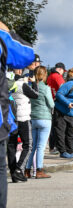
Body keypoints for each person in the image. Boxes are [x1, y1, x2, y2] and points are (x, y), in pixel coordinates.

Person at [0, 20, 35, 207]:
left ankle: (17, 171)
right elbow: (26, 54)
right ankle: (18, 171)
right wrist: (6, 30)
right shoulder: (1, 39)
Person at [8, 65, 39, 183]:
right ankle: (18, 169)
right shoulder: (21, 85)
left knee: (11, 146)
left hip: (11, 118)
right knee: (28, 145)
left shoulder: (8, 83)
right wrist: (34, 82)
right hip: (23, 118)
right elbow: (35, 94)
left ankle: (13, 172)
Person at [26, 66, 54, 179]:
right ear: (45, 74)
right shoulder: (46, 88)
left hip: (33, 117)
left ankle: (27, 170)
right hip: (45, 118)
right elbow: (51, 104)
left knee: (32, 147)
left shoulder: (31, 87)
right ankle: (39, 170)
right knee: (41, 146)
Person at [53, 68, 73, 159]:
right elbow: (59, 94)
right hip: (61, 112)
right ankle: (63, 152)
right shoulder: (70, 84)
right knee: (61, 132)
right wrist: (68, 103)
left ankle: (70, 151)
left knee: (71, 133)